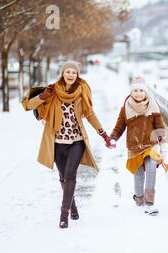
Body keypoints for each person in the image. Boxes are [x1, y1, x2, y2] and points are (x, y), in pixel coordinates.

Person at [22, 60, 115, 228]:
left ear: (77, 74)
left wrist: (105, 135)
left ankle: (63, 215)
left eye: (74, 72)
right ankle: (72, 205)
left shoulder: (81, 91)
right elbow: (28, 105)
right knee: (63, 177)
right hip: (57, 142)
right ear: (63, 73)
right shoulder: (52, 91)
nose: (71, 74)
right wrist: (43, 96)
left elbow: (90, 114)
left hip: (77, 141)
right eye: (68, 72)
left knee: (71, 174)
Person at [110, 76, 168, 215]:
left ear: (145, 92)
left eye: (141, 90)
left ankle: (150, 203)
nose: (138, 93)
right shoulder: (126, 108)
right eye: (135, 90)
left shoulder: (153, 106)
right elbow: (119, 127)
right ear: (131, 92)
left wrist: (163, 144)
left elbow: (159, 127)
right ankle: (139, 199)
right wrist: (113, 138)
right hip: (134, 147)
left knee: (151, 169)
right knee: (138, 174)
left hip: (151, 145)